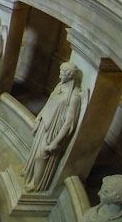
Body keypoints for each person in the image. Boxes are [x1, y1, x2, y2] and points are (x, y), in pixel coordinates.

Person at [21, 62, 81, 193]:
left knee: (41, 156)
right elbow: (50, 103)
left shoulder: (74, 96)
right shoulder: (60, 86)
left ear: (71, 76)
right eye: (60, 72)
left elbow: (69, 123)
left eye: (63, 73)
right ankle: (31, 177)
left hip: (54, 130)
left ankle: (36, 184)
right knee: (36, 151)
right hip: (45, 124)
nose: (60, 75)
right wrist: (39, 117)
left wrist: (55, 142)